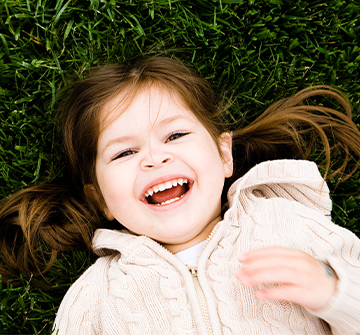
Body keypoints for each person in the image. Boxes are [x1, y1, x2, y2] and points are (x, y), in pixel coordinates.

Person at [1, 56, 360, 334]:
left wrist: (334, 292)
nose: (155, 158)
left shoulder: (285, 224)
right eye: (124, 153)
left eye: (175, 136)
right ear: (100, 201)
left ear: (223, 155)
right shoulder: (97, 296)